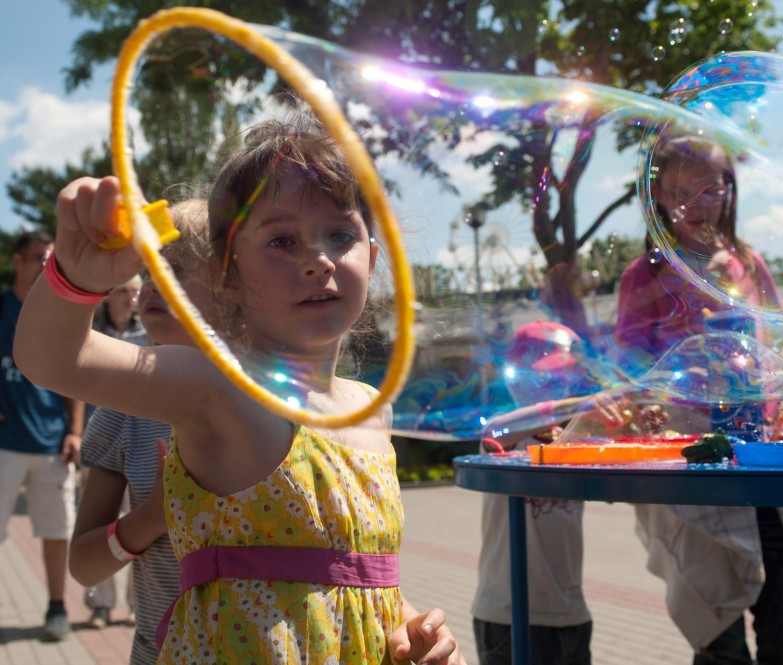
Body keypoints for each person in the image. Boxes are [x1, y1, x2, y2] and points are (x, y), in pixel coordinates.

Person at [13, 110, 465, 664]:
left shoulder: (372, 409)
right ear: (227, 275)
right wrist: (75, 279)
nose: (317, 259)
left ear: (371, 259)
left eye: (341, 235)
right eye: (281, 241)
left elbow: (355, 578)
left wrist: (414, 628)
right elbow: (53, 358)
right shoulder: (218, 387)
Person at [616, 135, 783, 665]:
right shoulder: (646, 274)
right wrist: (671, 379)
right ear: (660, 196)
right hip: (690, 459)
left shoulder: (749, 262)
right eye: (687, 187)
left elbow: (777, 348)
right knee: (715, 621)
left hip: (760, 453)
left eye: (715, 184)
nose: (705, 198)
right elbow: (632, 365)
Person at [71, 200, 210, 665]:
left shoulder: (270, 399)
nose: (153, 284)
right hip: (162, 652)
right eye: (150, 268)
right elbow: (84, 563)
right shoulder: (123, 406)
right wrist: (151, 518)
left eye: (180, 270)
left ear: (233, 288)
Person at [472, 321, 607, 665]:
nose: (555, 385)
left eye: (564, 376)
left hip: (570, 612)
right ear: (517, 377)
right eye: (544, 375)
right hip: (509, 615)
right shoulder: (506, 434)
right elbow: (494, 432)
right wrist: (578, 406)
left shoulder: (574, 437)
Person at [0, 230, 85, 641]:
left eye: (50, 257)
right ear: (17, 260)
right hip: (5, 445)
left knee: (56, 530)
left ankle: (57, 608)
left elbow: (74, 376)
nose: (44, 264)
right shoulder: (1, 308)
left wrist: (75, 431)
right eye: (37, 257)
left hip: (52, 443)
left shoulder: (58, 311)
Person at [82, 272, 145, 630]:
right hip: (99, 445)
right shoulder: (89, 333)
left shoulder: (149, 335)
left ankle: (137, 603)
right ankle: (100, 605)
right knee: (98, 528)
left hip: (138, 441)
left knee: (136, 525)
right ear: (107, 295)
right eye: (123, 291)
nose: (131, 299)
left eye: (136, 292)